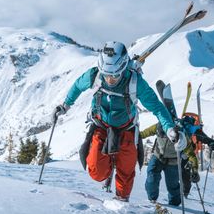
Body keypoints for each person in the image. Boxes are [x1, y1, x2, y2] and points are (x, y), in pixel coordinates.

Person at [53, 41, 178, 202]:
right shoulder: (94, 75)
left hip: (127, 128)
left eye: (115, 75)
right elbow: (77, 86)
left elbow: (157, 107)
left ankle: (122, 201)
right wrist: (65, 106)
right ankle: (107, 169)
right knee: (96, 171)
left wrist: (169, 129)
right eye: (106, 75)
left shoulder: (135, 81)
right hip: (101, 126)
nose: (110, 79)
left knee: (126, 170)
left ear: (124, 67)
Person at [141, 109, 214, 204]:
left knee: (173, 186)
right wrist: (133, 135)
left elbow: (191, 154)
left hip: (173, 162)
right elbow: (143, 134)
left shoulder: (182, 135)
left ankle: (175, 206)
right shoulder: (159, 126)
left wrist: (194, 170)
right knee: (151, 179)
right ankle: (152, 200)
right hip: (158, 157)